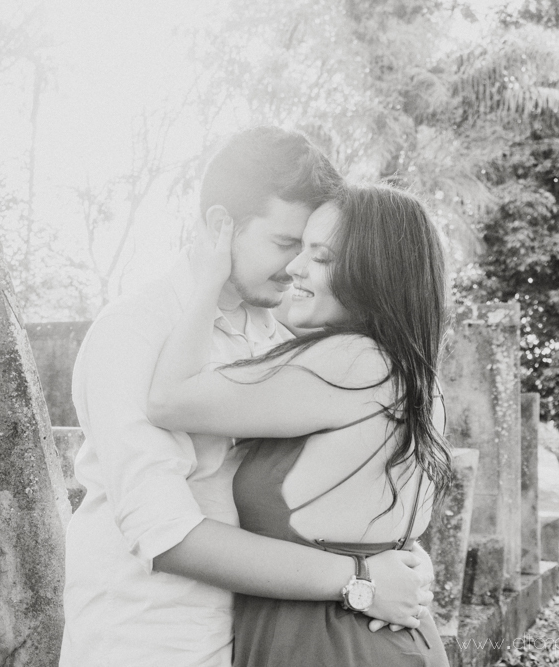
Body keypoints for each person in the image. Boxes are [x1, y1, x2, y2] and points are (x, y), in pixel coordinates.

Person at [59, 128, 435, 667]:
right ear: (222, 225)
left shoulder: (280, 335)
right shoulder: (133, 331)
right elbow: (162, 532)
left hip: (260, 635)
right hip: (150, 638)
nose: (297, 266)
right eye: (285, 243)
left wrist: (398, 559)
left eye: (311, 249)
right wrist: (361, 578)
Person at [147, 184, 452, 666]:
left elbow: (169, 400)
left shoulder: (350, 362)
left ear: (373, 272)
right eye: (296, 248)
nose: (295, 267)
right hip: (385, 640)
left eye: (321, 256)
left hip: (328, 644)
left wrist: (209, 280)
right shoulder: (415, 375)